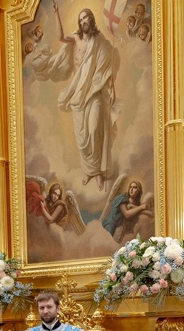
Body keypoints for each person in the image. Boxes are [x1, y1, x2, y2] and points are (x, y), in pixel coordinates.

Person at [40, 5, 117, 191]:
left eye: (86, 18)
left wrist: (111, 88)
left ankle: (98, 173)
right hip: (77, 93)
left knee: (93, 130)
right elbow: (60, 37)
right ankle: (89, 170)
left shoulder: (100, 42)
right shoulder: (75, 37)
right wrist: (57, 12)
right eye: (81, 19)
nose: (83, 22)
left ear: (91, 20)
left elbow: (105, 67)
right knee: (82, 138)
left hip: (94, 92)